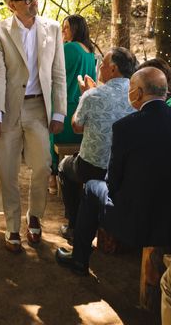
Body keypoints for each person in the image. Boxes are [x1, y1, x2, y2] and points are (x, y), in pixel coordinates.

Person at [55, 67, 171, 276]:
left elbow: (113, 183)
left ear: (139, 93)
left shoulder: (126, 127)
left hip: (137, 220)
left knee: (91, 187)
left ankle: (79, 259)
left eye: (131, 89)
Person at [0, 0, 66, 253]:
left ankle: (35, 216)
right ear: (12, 5)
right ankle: (11, 227)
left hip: (38, 109)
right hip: (8, 108)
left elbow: (58, 73)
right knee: (7, 171)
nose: (34, 1)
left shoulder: (53, 28)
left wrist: (59, 111)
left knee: (43, 165)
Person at [57, 47, 135, 242]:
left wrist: (85, 95)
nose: (99, 67)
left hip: (93, 167)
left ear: (113, 69)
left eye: (103, 64)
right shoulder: (137, 95)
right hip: (126, 168)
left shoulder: (93, 95)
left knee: (64, 167)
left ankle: (74, 225)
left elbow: (77, 127)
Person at [49, 14, 97, 194]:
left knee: (51, 134)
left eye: (66, 27)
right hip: (83, 106)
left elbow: (53, 69)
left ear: (77, 28)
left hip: (67, 104)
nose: (63, 31)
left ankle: (52, 177)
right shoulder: (89, 51)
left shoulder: (70, 48)